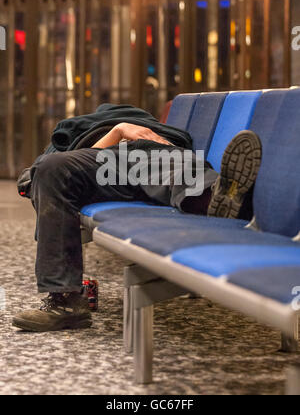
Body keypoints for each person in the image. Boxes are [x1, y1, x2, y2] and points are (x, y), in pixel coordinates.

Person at [12, 114, 262, 333]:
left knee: (161, 162)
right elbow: (43, 175)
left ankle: (218, 199)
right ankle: (66, 300)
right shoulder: (63, 147)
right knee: (53, 167)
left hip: (139, 154)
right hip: (96, 168)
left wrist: (126, 134)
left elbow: (160, 138)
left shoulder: (136, 124)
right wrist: (117, 131)